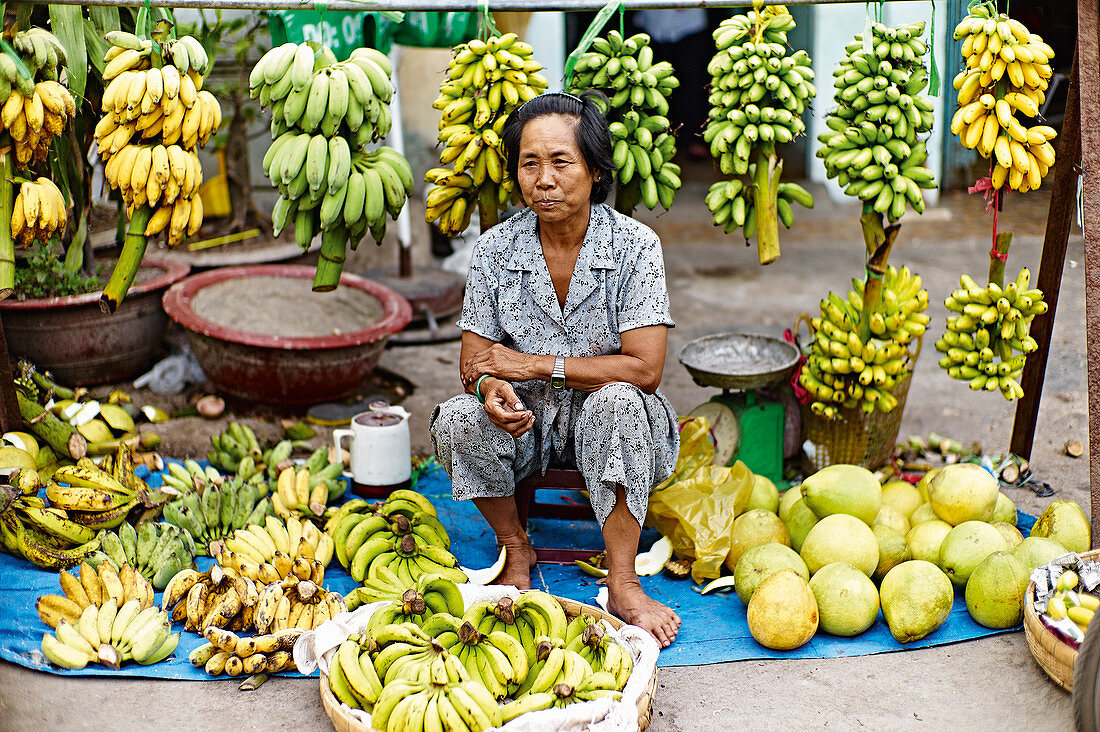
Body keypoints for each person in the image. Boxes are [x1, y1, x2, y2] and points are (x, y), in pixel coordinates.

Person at [429, 91, 681, 648]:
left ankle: (622, 580)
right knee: (456, 418)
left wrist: (538, 364)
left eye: (561, 162)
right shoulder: (496, 249)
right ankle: (516, 546)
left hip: (616, 422)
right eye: (529, 163)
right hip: (529, 422)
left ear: (594, 170)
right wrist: (492, 386)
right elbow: (474, 363)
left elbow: (645, 369)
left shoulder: (636, 246)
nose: (544, 179)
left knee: (617, 400)